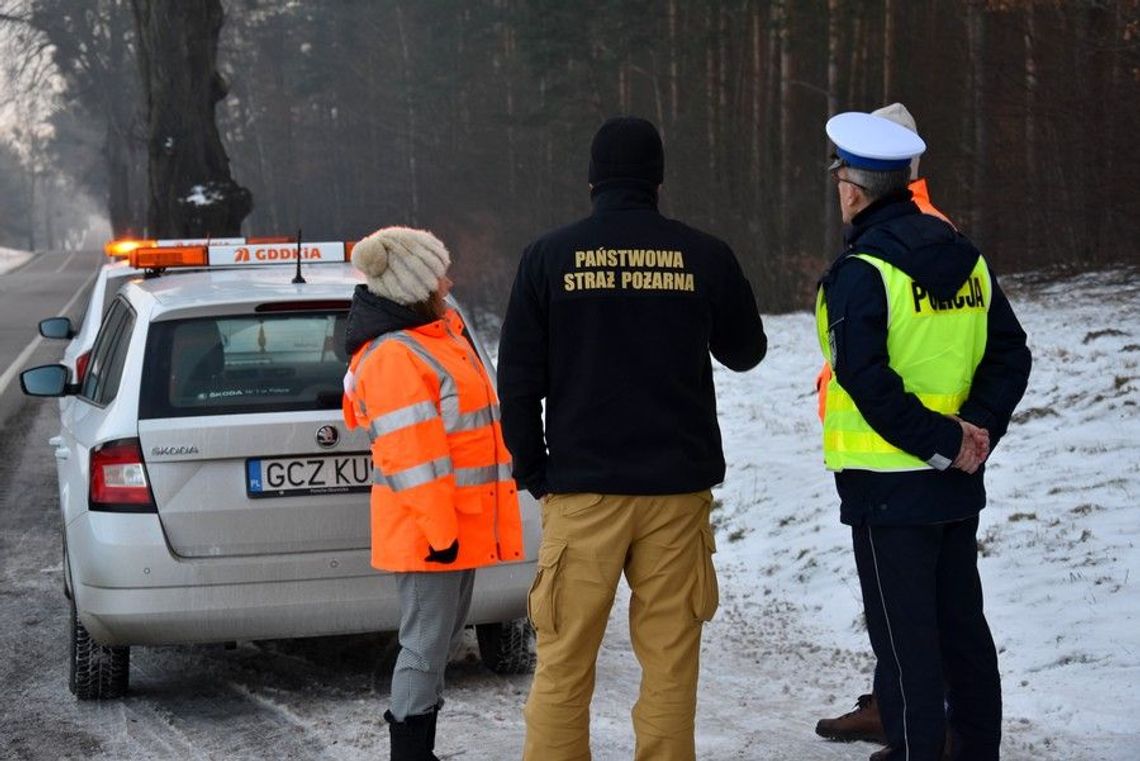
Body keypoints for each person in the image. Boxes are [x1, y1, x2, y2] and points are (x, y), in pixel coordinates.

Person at [498, 116, 767, 761]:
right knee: (671, 662)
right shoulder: (703, 254)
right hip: (676, 492)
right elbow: (747, 351)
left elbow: (516, 382)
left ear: (591, 180)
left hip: (582, 491)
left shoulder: (548, 257)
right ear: (657, 180)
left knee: (563, 660)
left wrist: (536, 473)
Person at [815, 111, 1031, 761]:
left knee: (906, 642)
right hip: (956, 484)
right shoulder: (965, 255)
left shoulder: (860, 273)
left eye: (838, 176)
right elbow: (1011, 354)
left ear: (853, 188)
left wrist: (944, 438)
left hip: (887, 489)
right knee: (962, 627)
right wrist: (978, 432)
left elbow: (865, 381)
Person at [342, 226, 525, 761]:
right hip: (431, 533)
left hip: (454, 527)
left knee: (437, 644)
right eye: (439, 271)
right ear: (413, 285)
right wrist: (441, 535)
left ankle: (420, 749)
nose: (450, 279)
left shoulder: (439, 336)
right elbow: (413, 460)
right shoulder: (397, 357)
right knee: (423, 648)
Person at [814, 102, 954, 747]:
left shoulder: (908, 236)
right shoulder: (920, 228)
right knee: (916, 615)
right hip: (920, 451)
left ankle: (913, 726)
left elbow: (881, 367)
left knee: (910, 620)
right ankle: (902, 710)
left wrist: (945, 440)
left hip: (903, 456)